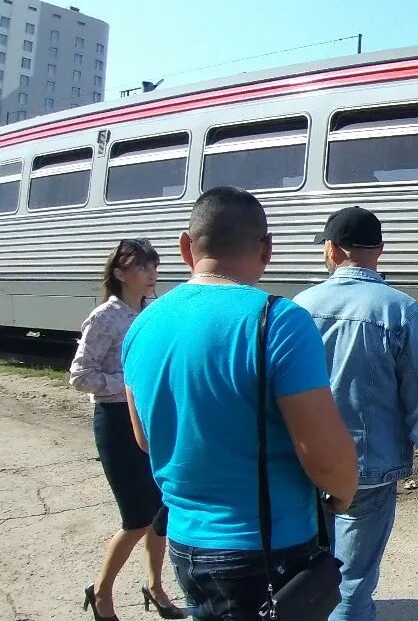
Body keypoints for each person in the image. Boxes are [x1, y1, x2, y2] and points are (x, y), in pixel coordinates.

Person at [123, 186, 358, 620]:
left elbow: (144, 438)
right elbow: (325, 457)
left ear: (185, 247)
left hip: (185, 542)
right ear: (267, 249)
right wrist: (343, 496)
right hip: (268, 549)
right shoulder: (279, 321)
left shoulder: (142, 324)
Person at [293, 206, 418, 620]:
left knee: (305, 577)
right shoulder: (402, 311)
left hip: (304, 464)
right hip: (370, 467)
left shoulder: (299, 307)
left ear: (332, 249)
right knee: (353, 584)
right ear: (379, 249)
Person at [70, 239, 185, 621]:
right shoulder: (106, 316)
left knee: (161, 512)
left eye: (154, 266)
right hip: (117, 423)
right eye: (142, 267)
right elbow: (80, 375)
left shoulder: (151, 311)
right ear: (121, 274)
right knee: (137, 517)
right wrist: (131, 385)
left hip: (152, 420)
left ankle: (154, 587)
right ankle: (101, 591)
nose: (152, 273)